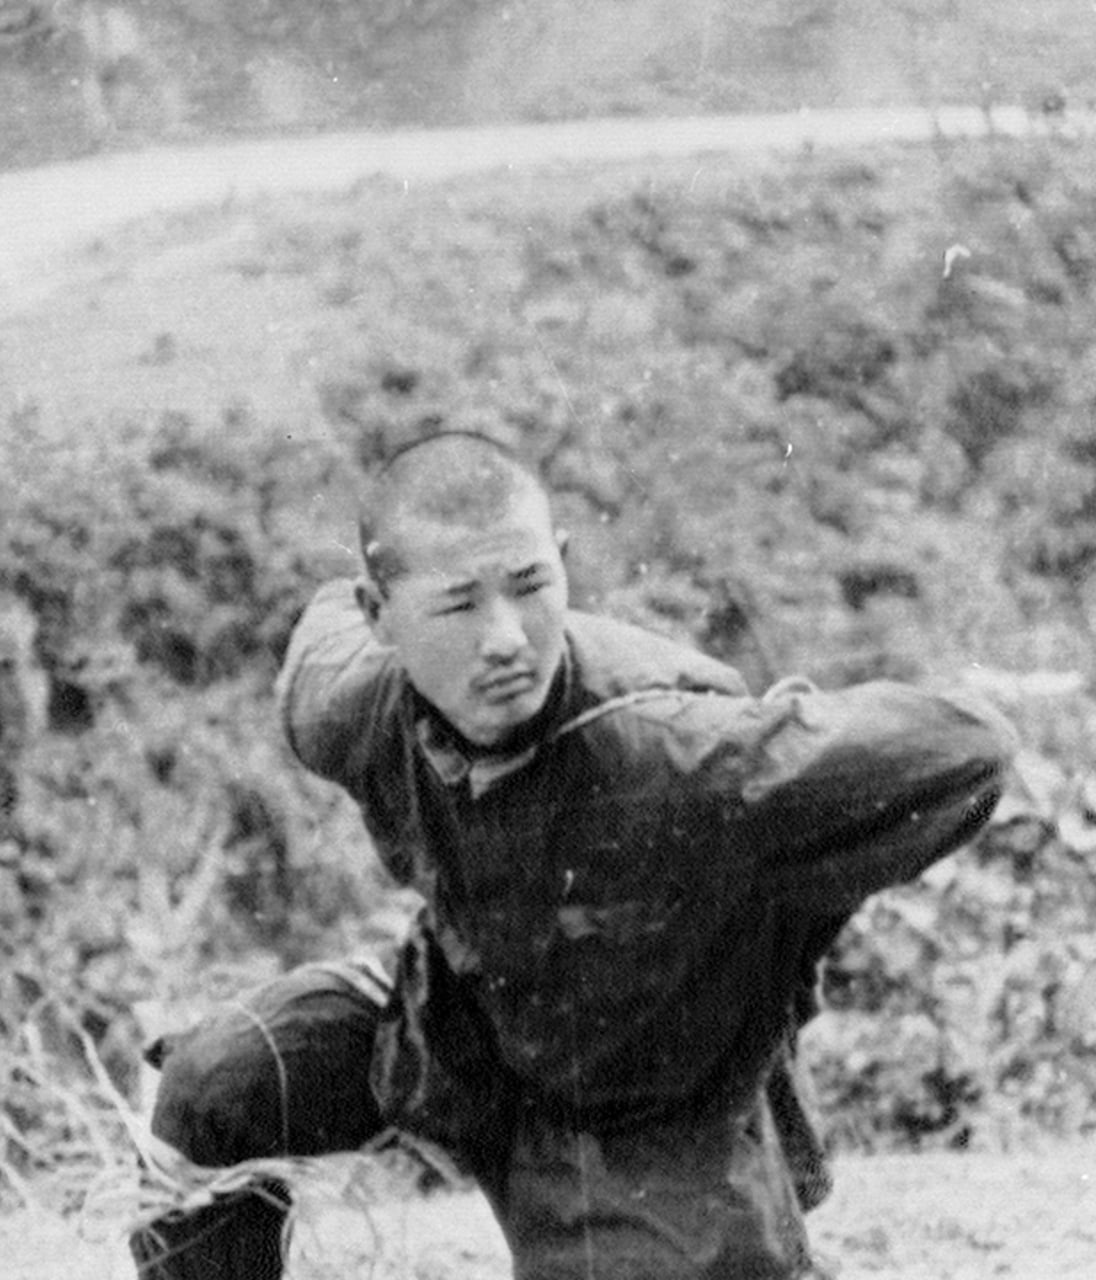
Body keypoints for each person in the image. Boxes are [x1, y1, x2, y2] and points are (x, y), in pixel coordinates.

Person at [132, 432, 1015, 1280]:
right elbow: (318, 637)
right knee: (217, 1086)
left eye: (529, 586)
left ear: (562, 564)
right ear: (382, 615)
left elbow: (969, 750)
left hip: (653, 1117)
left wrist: (775, 762)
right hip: (460, 1023)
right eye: (457, 603)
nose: (507, 637)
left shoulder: (679, 753)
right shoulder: (353, 706)